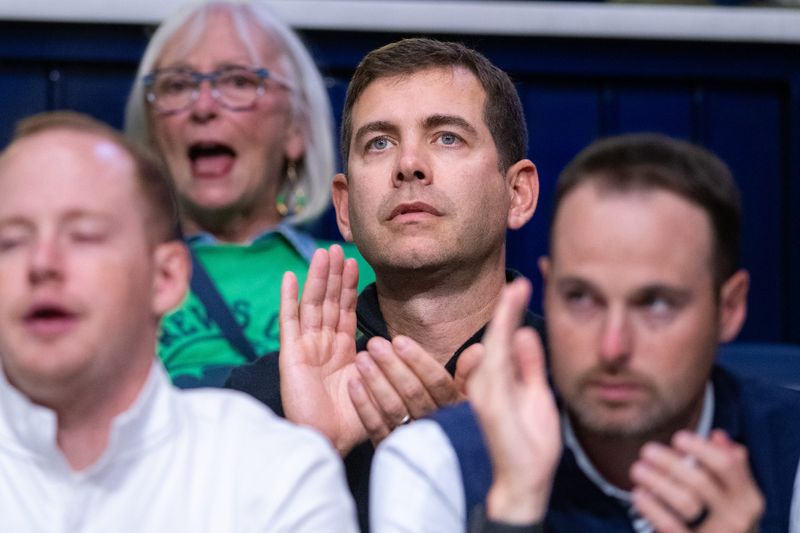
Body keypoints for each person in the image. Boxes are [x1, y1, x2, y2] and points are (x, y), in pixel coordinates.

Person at [371, 133, 800, 533]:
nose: (612, 347)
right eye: (582, 298)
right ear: (549, 289)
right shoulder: (438, 461)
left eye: (655, 305)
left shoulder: (790, 452)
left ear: (728, 308)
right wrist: (514, 509)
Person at [226, 38, 545, 530]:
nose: (408, 164)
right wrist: (311, 457)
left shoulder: (572, 388)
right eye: (379, 142)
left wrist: (475, 473)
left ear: (517, 193)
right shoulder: (265, 400)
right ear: (344, 208)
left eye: (447, 137)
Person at [0, 111, 357, 532]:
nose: (42, 264)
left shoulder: (272, 472)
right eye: (11, 241)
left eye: (84, 235)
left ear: (166, 278)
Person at [125, 0, 373, 387]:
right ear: (154, 134)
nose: (203, 106)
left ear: (295, 129)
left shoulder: (368, 274)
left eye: (238, 81)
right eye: (178, 85)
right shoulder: (115, 278)